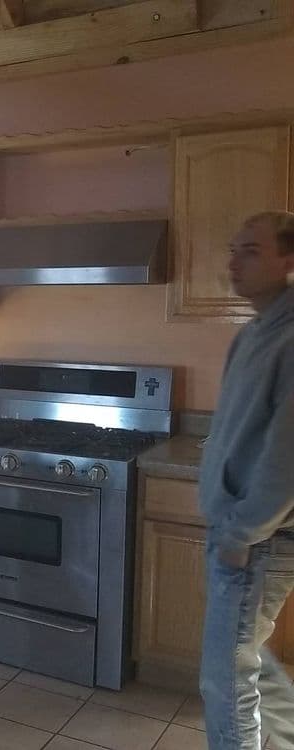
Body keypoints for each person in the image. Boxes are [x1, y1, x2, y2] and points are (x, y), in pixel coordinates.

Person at [199, 210, 294, 750]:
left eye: (251, 251)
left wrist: (241, 534)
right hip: (239, 532)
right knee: (249, 665)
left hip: (259, 541)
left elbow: (287, 458)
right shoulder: (255, 332)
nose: (234, 262)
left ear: (288, 259)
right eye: (233, 249)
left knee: (226, 681)